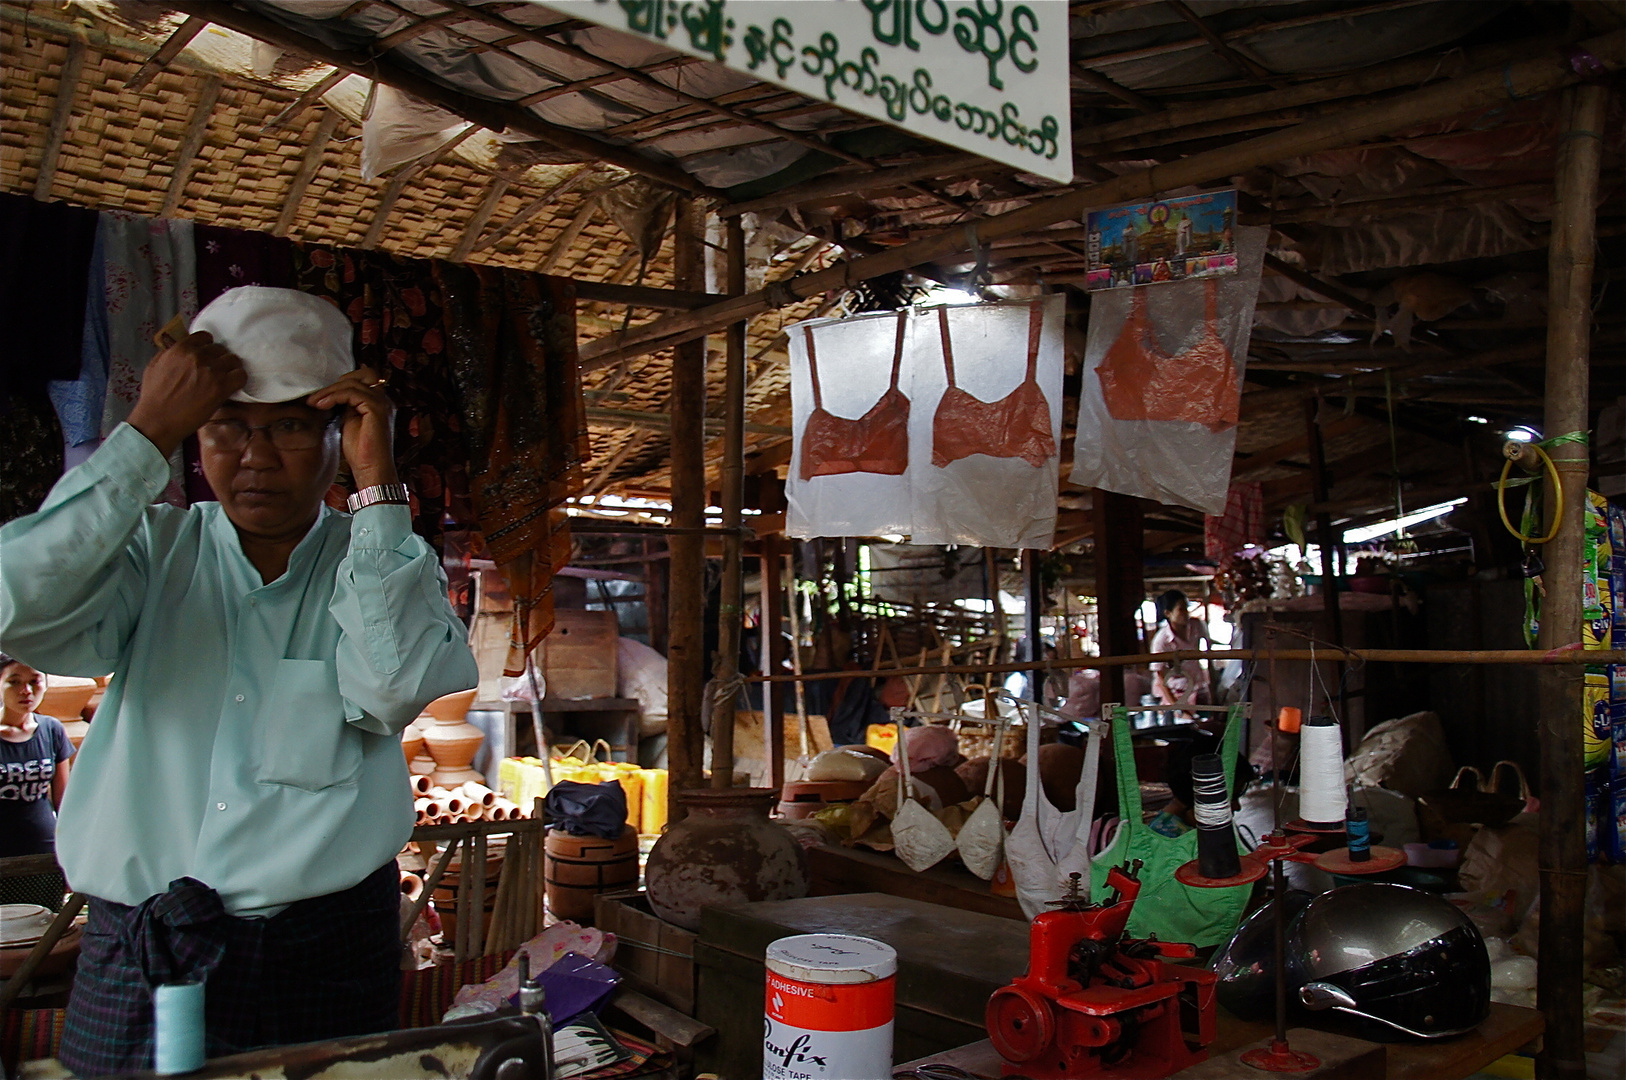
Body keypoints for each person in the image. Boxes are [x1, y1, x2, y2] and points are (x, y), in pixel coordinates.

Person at [0, 286, 478, 1076]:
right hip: (140, 949)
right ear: (196, 435)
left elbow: (393, 687)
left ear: (337, 436)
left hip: (321, 954)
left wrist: (380, 487)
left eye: (289, 426)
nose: (254, 457)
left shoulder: (378, 565)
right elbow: (15, 602)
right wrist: (145, 430)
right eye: (225, 427)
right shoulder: (153, 551)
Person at [0, 655, 75, 909]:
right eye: (14, 682)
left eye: (35, 681)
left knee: (45, 928)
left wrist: (70, 856)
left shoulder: (51, 730)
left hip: (43, 851)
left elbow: (64, 800)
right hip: (2, 855)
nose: (26, 691)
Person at [1149, 589, 1212, 711]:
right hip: (1173, 695)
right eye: (1181, 609)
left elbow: (1209, 654)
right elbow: (1161, 678)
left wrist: (1212, 689)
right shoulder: (1162, 641)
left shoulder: (1197, 626)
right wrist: (1177, 708)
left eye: (1186, 608)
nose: (1186, 613)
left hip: (1198, 689)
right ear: (1168, 613)